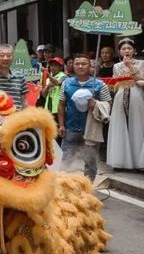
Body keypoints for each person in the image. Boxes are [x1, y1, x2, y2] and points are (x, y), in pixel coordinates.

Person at [57, 54, 111, 182]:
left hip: (91, 130)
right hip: (70, 128)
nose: (80, 66)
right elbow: (61, 104)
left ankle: (88, 190)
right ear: (72, 66)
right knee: (66, 161)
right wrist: (61, 125)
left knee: (91, 164)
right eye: (77, 63)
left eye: (84, 63)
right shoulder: (66, 83)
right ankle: (63, 189)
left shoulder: (99, 85)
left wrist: (96, 104)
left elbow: (109, 104)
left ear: (90, 66)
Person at [106, 38, 144, 170]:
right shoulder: (116, 66)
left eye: (129, 48)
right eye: (123, 49)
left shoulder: (141, 63)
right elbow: (116, 84)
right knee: (120, 125)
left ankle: (139, 162)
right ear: (119, 52)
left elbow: (141, 79)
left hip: (136, 95)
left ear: (134, 50)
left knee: (138, 125)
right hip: (121, 95)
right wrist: (112, 84)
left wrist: (130, 67)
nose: (126, 51)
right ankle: (121, 161)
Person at [0, 43, 29, 109]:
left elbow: (24, 100)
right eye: (1, 55)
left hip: (16, 117)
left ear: (13, 57)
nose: (5, 58)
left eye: (8, 55)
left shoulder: (20, 77)